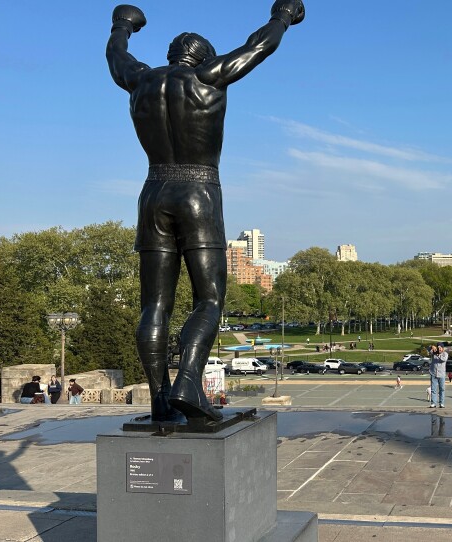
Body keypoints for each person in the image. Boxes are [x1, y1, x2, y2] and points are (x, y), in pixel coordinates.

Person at [106, 1, 304, 422]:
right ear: (204, 58)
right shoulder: (207, 77)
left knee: (153, 306)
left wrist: (122, 24)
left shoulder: (141, 80)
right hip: (198, 190)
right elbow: (258, 47)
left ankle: (162, 401)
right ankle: (189, 382)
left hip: (153, 192)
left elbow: (115, 56)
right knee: (209, 298)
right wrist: (283, 16)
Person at [429, 344, 448, 408]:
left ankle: (441, 403)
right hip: (433, 373)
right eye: (438, 348)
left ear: (443, 348)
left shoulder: (445, 354)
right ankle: (433, 403)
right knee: (433, 389)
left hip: (441, 374)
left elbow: (443, 360)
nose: (439, 349)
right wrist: (431, 347)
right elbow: (428, 350)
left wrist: (437, 354)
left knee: (442, 389)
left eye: (440, 348)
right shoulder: (433, 352)